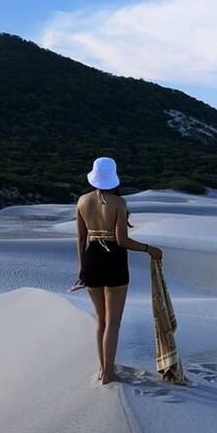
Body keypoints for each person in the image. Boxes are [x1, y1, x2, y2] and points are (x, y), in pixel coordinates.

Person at [75, 157, 163, 384]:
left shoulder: (82, 201)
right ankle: (109, 374)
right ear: (113, 178)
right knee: (113, 323)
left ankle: (103, 369)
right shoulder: (119, 203)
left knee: (101, 321)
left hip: (92, 259)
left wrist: (82, 267)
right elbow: (122, 240)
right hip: (113, 260)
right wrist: (148, 248)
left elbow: (81, 237)